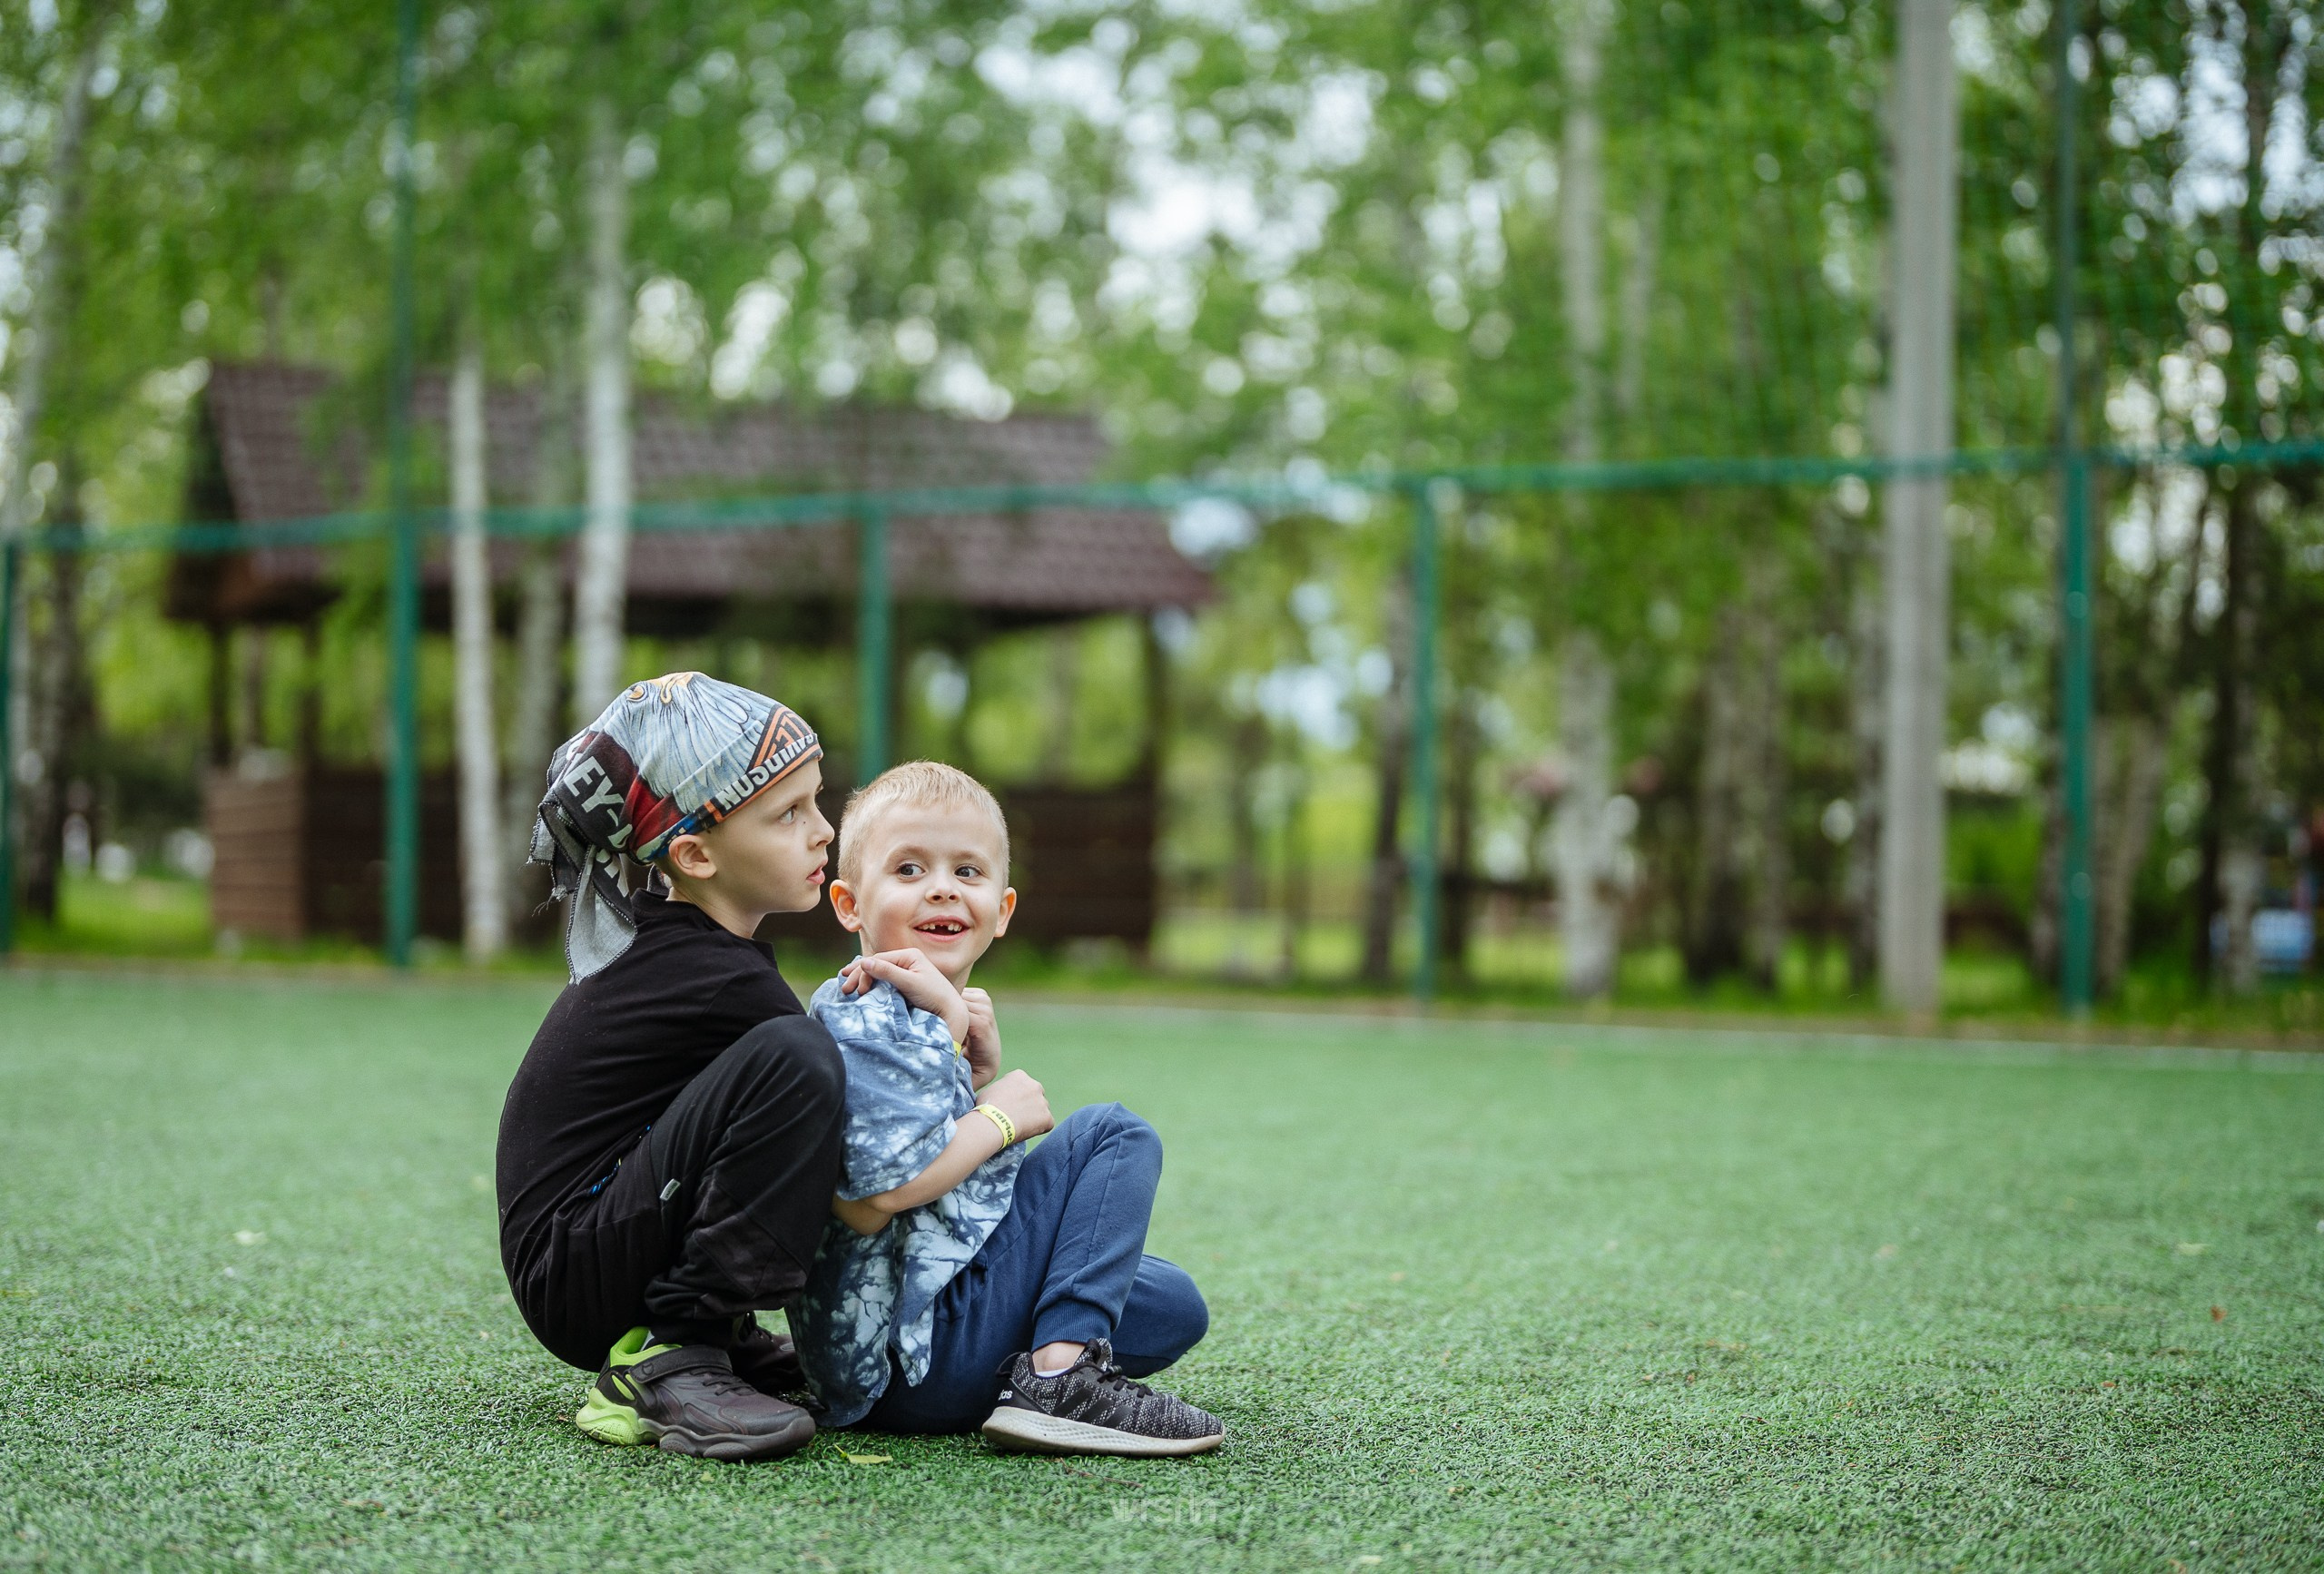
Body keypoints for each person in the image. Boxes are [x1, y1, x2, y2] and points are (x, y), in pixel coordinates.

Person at [793, 760, 1222, 1457]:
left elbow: (932, 1165)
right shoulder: (863, 1016)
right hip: (908, 1359)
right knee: (1109, 1132)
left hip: (929, 1340)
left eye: (968, 872)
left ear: (1002, 909)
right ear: (849, 904)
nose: (942, 888)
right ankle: (1060, 1379)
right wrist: (999, 1115)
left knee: (1170, 1302)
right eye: (908, 870)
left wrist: (970, 1061)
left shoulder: (925, 1017)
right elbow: (874, 1195)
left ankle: (1043, 1364)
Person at [495, 673, 845, 1461]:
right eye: (789, 813)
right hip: (574, 1269)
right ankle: (671, 1345)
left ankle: (711, 1332)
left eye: (817, 802)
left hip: (590, 1242)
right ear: (693, 853)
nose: (824, 831)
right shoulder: (714, 975)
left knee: (791, 1065)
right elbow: (843, 1122)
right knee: (801, 1061)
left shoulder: (692, 951)